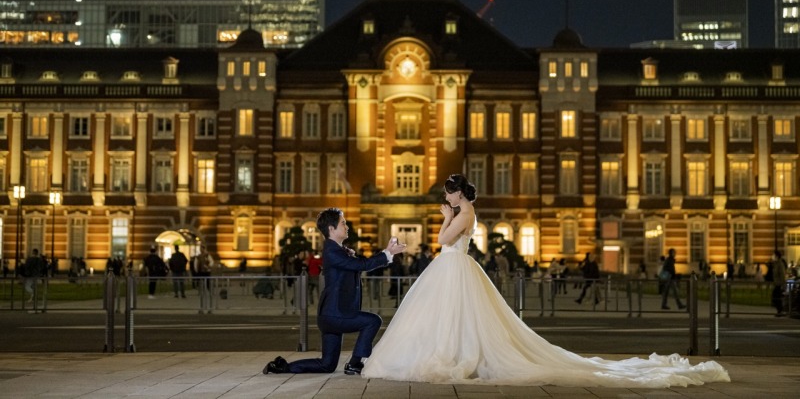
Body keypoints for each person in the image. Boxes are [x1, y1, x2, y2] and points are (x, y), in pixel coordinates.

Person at [362, 174, 729, 387]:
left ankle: (453, 355)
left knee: (457, 319)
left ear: (457, 193)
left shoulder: (464, 212)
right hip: (453, 268)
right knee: (456, 320)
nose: (445, 197)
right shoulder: (467, 210)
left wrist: (444, 217)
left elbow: (442, 241)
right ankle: (452, 352)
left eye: (447, 192)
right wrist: (447, 215)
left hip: (453, 266)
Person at [263, 207, 406, 376]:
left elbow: (358, 264)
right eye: (343, 223)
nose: (347, 227)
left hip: (330, 314)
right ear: (331, 229)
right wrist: (387, 253)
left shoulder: (337, 250)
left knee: (327, 365)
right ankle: (354, 363)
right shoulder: (332, 251)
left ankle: (281, 367)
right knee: (372, 321)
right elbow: (361, 266)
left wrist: (385, 254)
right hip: (335, 314)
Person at [771, 251, 787, 317]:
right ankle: (780, 311)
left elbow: (782, 275)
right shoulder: (776, 264)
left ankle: (780, 311)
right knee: (776, 298)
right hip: (777, 284)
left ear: (777, 256)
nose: (772, 257)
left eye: (773, 255)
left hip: (779, 284)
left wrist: (783, 284)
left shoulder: (780, 264)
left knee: (776, 297)